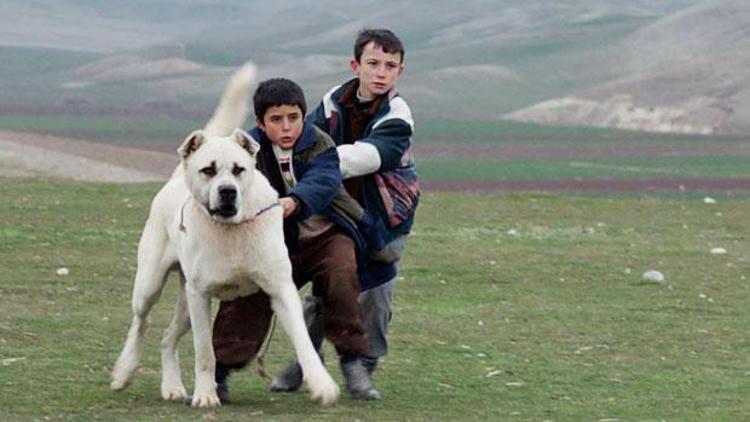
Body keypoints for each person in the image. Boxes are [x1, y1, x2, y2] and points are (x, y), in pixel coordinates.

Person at [210, 78, 384, 402]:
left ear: (304, 116)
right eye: (276, 120)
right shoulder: (245, 149)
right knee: (247, 294)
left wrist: (295, 201)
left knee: (341, 272)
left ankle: (353, 362)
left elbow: (325, 180)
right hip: (270, 241)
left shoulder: (320, 143)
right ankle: (218, 373)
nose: (287, 127)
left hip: (324, 235)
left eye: (293, 117)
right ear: (261, 123)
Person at [270, 28, 419, 399]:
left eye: (390, 65)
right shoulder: (333, 101)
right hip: (337, 211)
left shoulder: (398, 117)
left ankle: (364, 367)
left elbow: (370, 157)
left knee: (377, 290)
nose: (380, 72)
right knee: (326, 286)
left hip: (385, 217)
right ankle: (307, 361)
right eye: (373, 63)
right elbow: (303, 135)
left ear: (400, 71)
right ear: (356, 65)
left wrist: (317, 165)